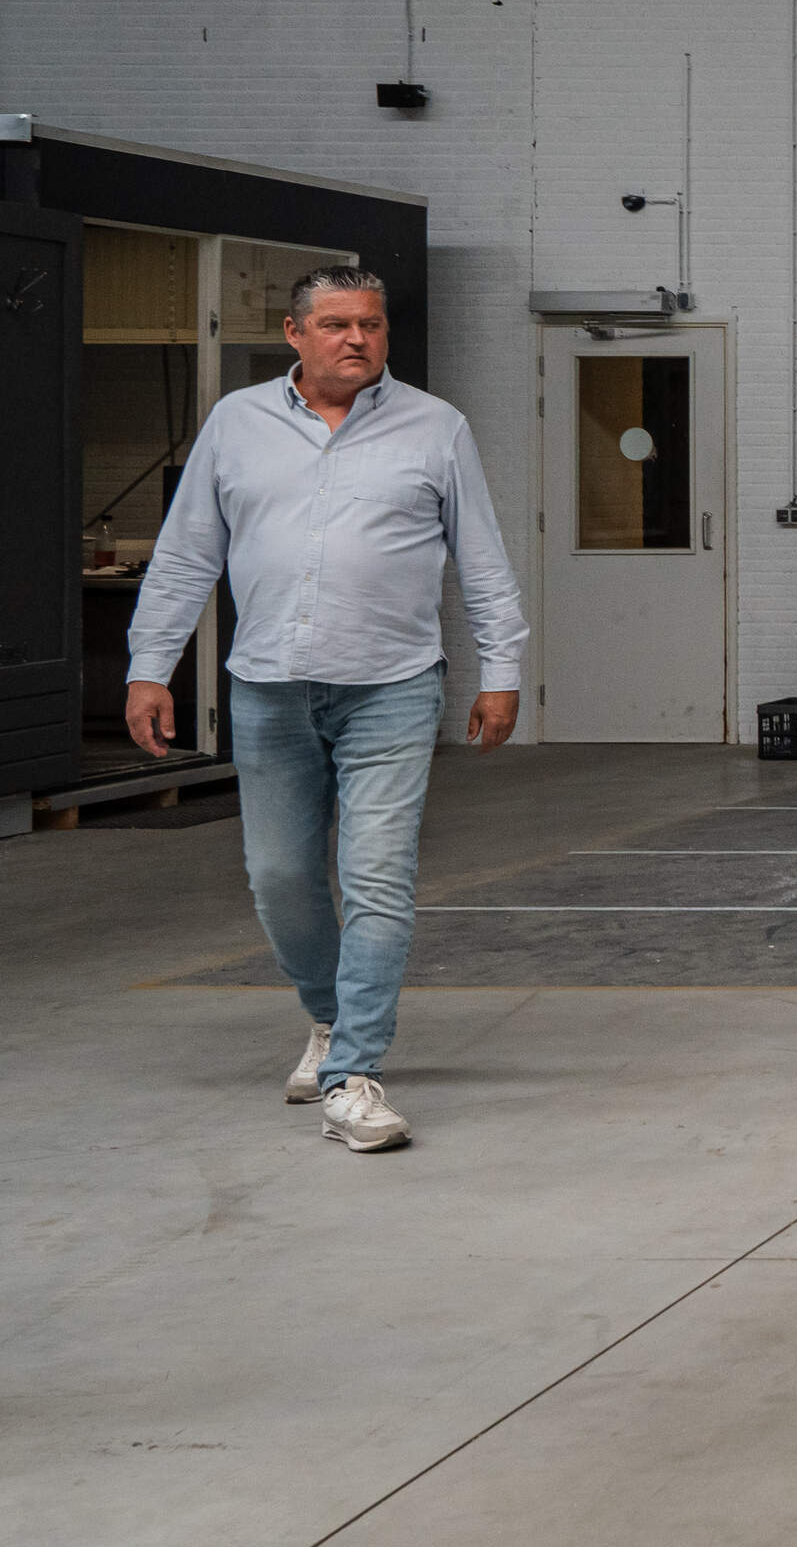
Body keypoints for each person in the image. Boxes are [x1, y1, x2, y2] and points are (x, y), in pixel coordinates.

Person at [125, 266, 526, 1155]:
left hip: (392, 686)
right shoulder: (237, 423)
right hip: (268, 687)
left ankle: (352, 1076)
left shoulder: (436, 426)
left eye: (371, 325)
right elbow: (187, 555)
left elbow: (483, 558)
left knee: (378, 876)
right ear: (295, 332)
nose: (358, 339)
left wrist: (502, 670)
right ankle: (329, 1015)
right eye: (338, 324)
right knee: (280, 877)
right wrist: (149, 667)